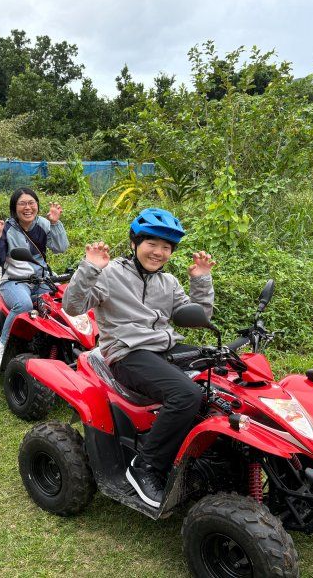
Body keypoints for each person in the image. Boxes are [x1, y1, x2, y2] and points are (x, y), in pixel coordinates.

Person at [62, 207, 216, 508]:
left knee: (223, 378)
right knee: (186, 395)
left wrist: (201, 281)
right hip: (127, 353)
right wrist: (90, 268)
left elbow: (196, 317)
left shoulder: (168, 283)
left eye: (166, 247)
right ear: (135, 243)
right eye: (152, 244)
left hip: (164, 349)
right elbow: (73, 305)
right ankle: (145, 466)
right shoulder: (110, 275)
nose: (159, 252)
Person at [0, 187, 68, 368]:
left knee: (60, 304)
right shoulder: (6, 227)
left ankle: (59, 346)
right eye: (22, 203)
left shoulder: (44, 224)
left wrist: (55, 224)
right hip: (14, 281)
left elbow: (60, 248)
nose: (27, 207)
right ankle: (3, 344)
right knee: (23, 305)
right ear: (14, 208)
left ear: (37, 205)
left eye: (31, 203)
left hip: (42, 279)